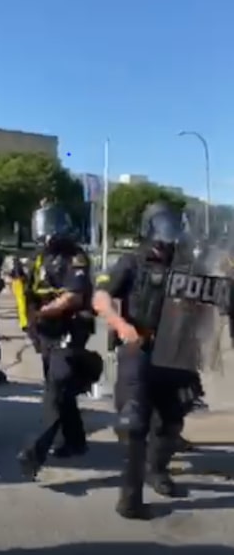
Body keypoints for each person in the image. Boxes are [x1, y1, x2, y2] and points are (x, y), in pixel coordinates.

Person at [92, 201, 201, 519]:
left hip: (176, 352)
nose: (168, 235)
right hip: (138, 347)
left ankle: (158, 470)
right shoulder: (131, 261)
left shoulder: (187, 265)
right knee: (135, 424)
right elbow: (100, 298)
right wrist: (122, 326)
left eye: (173, 226)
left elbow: (205, 302)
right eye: (162, 226)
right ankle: (130, 499)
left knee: (171, 420)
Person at [17, 202, 102, 478]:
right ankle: (76, 441)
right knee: (60, 390)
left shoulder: (74, 257)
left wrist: (43, 312)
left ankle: (36, 451)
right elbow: (25, 289)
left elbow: (74, 297)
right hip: (45, 332)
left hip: (69, 329)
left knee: (55, 389)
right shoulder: (39, 257)